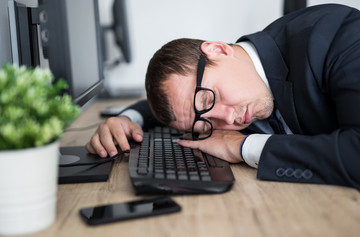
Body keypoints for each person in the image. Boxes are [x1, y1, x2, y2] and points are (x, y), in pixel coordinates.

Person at [86, 4, 360, 190]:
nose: (229, 119)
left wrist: (244, 147)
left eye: (208, 100)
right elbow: (185, 106)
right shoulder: (234, 82)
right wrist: (125, 119)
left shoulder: (339, 37)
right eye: (206, 126)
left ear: (217, 49)